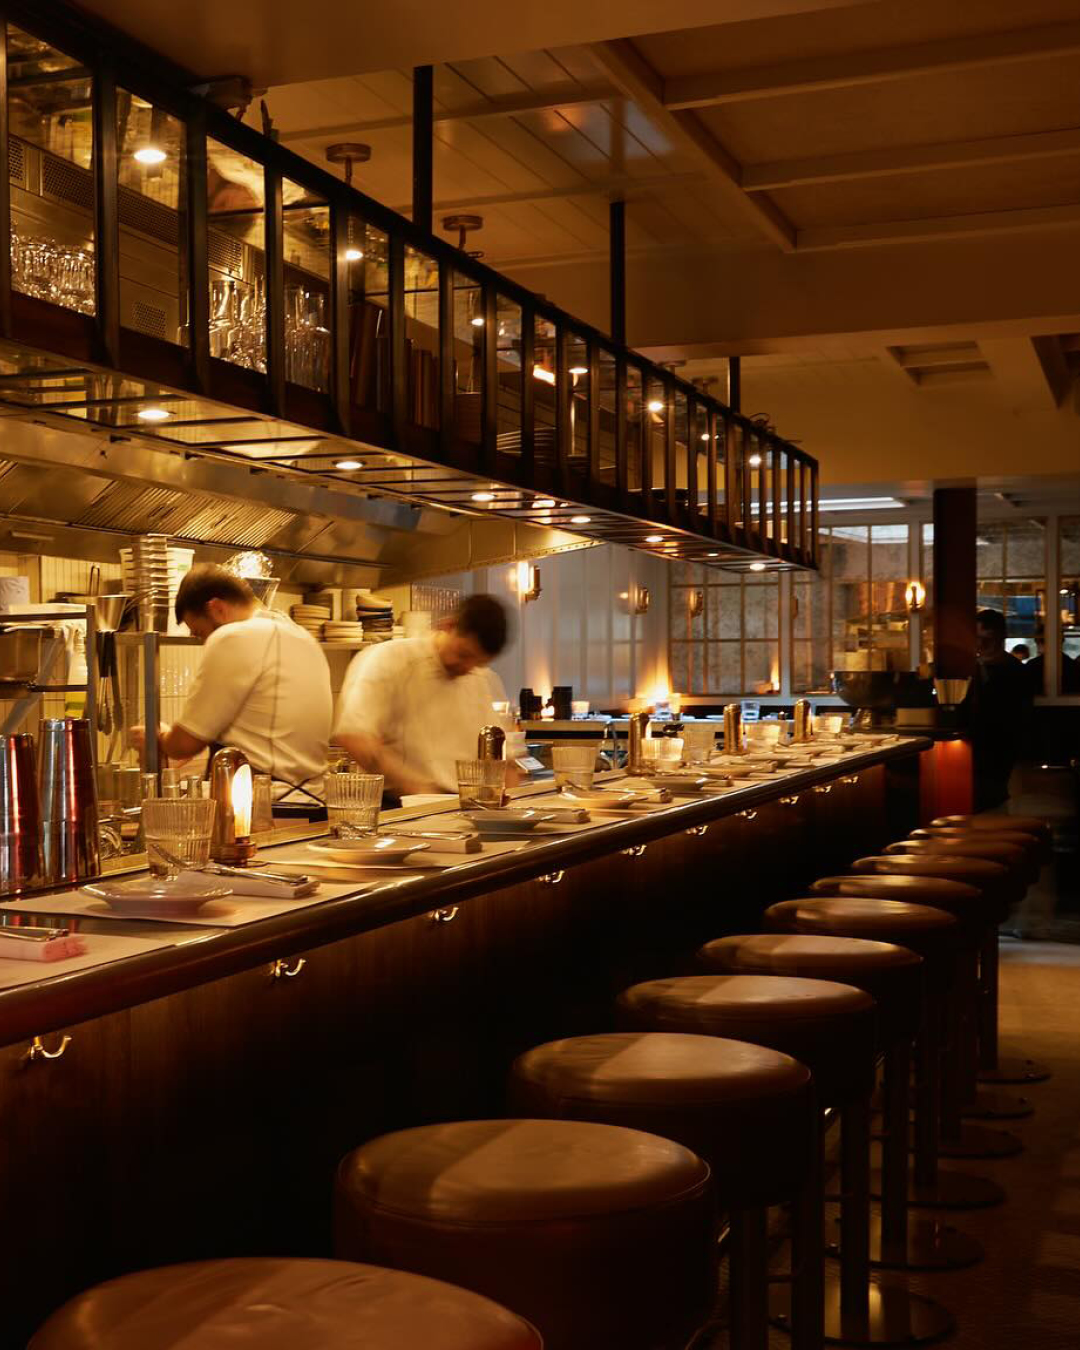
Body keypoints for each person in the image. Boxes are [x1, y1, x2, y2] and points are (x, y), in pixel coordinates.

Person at [134, 565, 333, 817]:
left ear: (217, 608)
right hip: (312, 804)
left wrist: (159, 738)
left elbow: (186, 744)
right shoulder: (301, 636)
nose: (204, 642)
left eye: (200, 632)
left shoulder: (234, 637)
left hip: (264, 808)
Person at [334, 594, 514, 798]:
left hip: (464, 806)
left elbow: (504, 760)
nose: (467, 667)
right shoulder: (387, 659)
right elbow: (354, 737)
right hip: (401, 806)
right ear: (447, 626)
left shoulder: (482, 678)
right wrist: (416, 789)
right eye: (463, 654)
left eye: (478, 663)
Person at [969, 608, 1032, 811]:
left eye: (986, 638)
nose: (980, 644)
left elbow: (1018, 715)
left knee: (991, 794)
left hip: (1000, 744)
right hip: (979, 742)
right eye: (976, 638)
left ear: (1001, 636)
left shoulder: (1015, 671)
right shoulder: (972, 667)